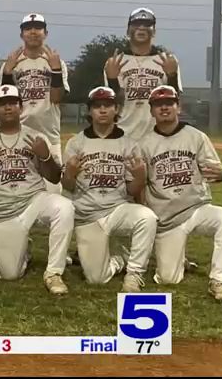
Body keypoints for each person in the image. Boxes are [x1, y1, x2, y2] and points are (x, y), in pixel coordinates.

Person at [0, 85, 74, 295]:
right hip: (3, 211)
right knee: (10, 275)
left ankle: (53, 272)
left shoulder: (35, 137)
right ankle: (23, 250)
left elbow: (54, 176)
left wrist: (45, 156)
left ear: (20, 107)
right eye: (2, 104)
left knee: (64, 207)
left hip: (34, 200)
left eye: (12, 103)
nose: (8, 108)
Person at [140, 86, 222, 303]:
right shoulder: (144, 144)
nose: (164, 107)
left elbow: (216, 170)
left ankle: (219, 281)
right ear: (152, 111)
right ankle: (179, 259)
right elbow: (139, 185)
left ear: (178, 107)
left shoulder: (196, 137)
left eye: (169, 103)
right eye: (158, 104)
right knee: (168, 279)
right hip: (167, 218)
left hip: (197, 208)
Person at [61, 86, 157, 292]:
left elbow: (132, 191)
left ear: (117, 109)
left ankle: (134, 274)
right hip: (87, 215)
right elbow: (68, 187)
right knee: (96, 278)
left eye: (108, 105)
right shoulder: (76, 143)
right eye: (97, 106)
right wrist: (69, 172)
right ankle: (120, 258)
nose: (103, 110)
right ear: (89, 111)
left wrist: (140, 177)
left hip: (117, 209)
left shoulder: (129, 144)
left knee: (147, 217)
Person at [0, 13, 69, 193]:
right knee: (20, 188)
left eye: (38, 28)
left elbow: (56, 98)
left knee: (54, 189)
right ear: (21, 34)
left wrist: (55, 70)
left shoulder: (55, 61)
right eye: (28, 29)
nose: (33, 32)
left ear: (46, 33)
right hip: (19, 134)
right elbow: (6, 102)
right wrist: (7, 72)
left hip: (49, 132)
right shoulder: (13, 62)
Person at [104, 8, 182, 140]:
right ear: (128, 31)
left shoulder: (167, 60)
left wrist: (172, 76)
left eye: (147, 24)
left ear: (154, 31)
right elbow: (113, 104)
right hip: (123, 133)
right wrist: (112, 80)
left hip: (158, 134)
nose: (141, 28)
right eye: (136, 24)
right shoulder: (116, 61)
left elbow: (174, 100)